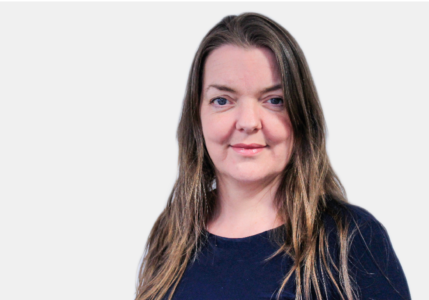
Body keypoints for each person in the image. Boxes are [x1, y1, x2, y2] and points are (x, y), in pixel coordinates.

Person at [135, 12, 411, 300]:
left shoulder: (350, 240)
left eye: (274, 101)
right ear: (197, 116)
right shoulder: (172, 235)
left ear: (302, 115)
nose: (248, 122)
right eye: (222, 100)